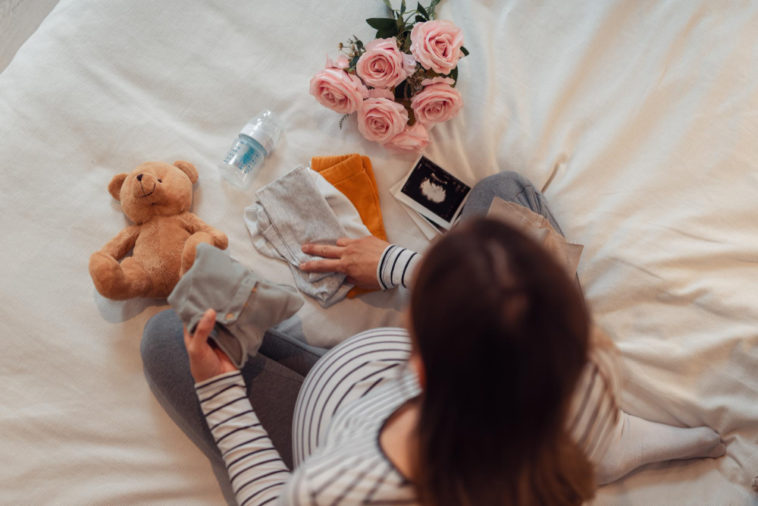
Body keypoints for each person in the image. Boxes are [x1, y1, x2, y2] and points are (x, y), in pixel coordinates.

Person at [142, 172, 724, 505]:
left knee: (169, 338)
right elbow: (514, 285)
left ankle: (233, 382)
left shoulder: (339, 486)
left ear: (420, 370)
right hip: (553, 434)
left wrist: (220, 392)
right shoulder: (585, 369)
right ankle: (611, 448)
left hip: (327, 426)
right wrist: (393, 262)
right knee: (505, 194)